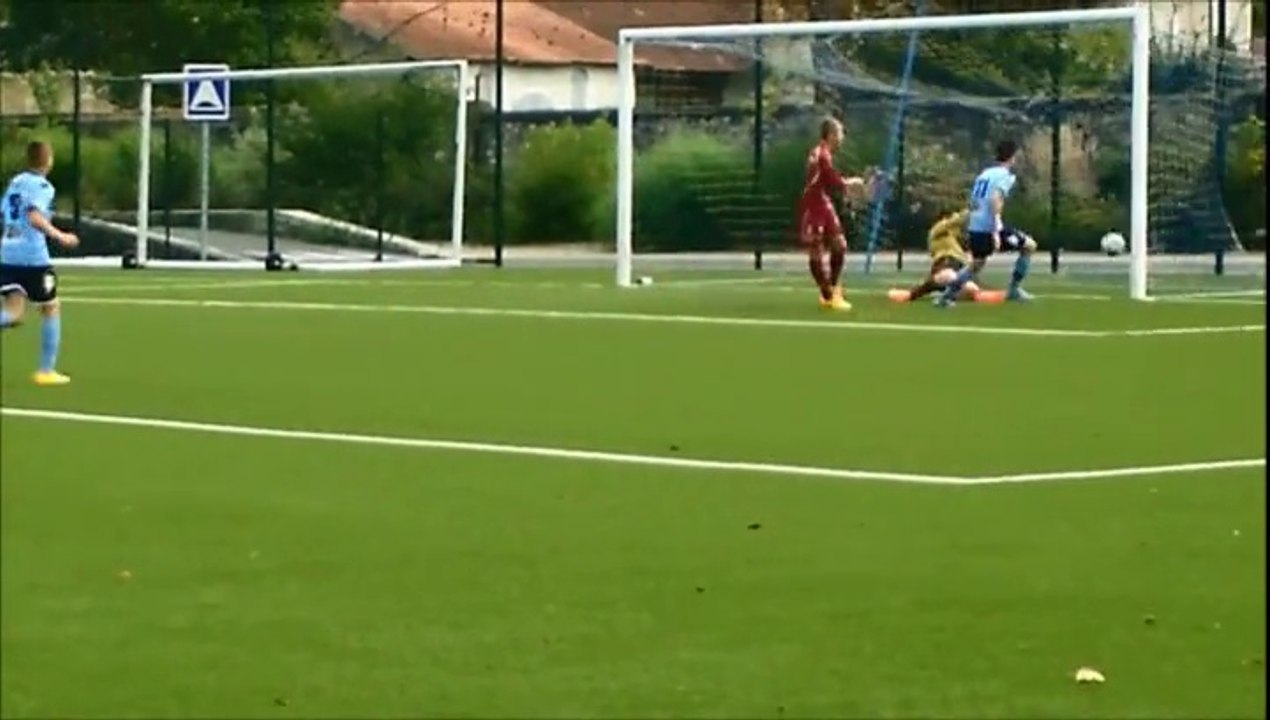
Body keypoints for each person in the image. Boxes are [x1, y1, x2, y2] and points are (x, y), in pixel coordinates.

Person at [1, 140, 79, 385]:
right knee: (50, 307)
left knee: (13, 312)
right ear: (48, 160)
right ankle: (46, 370)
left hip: (6, 253)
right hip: (32, 257)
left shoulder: (15, 183)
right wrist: (61, 236)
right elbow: (34, 216)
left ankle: (47, 369)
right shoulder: (42, 186)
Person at [935, 140, 1037, 307]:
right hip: (989, 228)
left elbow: (973, 202)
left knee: (976, 265)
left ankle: (947, 296)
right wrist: (996, 230)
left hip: (976, 227)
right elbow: (995, 199)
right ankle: (1014, 289)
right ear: (1012, 157)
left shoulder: (985, 174)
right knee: (1029, 246)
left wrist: (972, 222)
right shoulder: (1006, 176)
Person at [799, 117, 870, 311]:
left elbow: (827, 179)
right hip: (814, 204)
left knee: (840, 245)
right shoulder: (821, 154)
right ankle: (827, 294)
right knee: (816, 249)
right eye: (840, 133)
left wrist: (845, 187)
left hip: (823, 202)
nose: (842, 138)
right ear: (830, 135)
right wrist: (850, 183)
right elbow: (831, 178)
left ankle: (831, 288)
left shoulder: (823, 153)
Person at [888, 208, 1005, 304]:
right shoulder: (937, 230)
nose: (958, 229)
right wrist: (973, 210)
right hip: (945, 264)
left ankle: (972, 293)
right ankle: (913, 294)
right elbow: (956, 221)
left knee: (968, 287)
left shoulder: (955, 241)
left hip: (960, 268)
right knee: (947, 276)